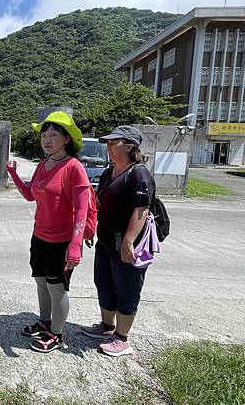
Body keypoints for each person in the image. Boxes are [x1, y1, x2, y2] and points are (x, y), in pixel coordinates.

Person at [7, 111, 91, 352]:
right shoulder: (43, 165)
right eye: (44, 133)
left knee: (57, 288)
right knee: (41, 282)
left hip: (61, 241)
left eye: (54, 134)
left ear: (67, 139)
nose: (47, 138)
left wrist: (75, 246)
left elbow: (82, 210)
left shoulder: (73, 167)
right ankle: (45, 322)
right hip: (39, 236)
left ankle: (56, 333)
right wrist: (13, 174)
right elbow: (30, 195)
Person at [81, 125, 156, 357]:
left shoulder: (139, 174)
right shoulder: (108, 173)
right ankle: (106, 327)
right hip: (105, 241)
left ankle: (122, 338)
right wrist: (90, 229)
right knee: (104, 283)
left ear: (131, 146)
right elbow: (99, 205)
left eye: (114, 143)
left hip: (125, 245)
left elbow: (140, 211)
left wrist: (128, 241)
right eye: (108, 144)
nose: (109, 148)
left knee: (126, 288)